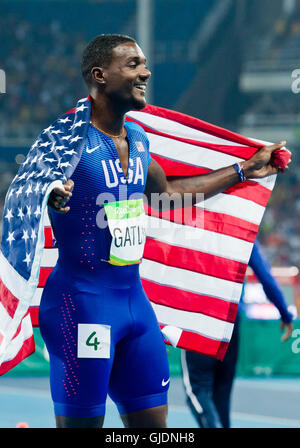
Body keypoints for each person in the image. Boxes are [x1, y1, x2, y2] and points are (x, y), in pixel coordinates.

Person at [40, 33, 287, 428]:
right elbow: (30, 187)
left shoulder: (138, 139)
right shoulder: (65, 138)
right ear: (100, 75)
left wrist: (244, 170)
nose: (146, 71)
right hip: (80, 306)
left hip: (135, 306)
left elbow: (170, 191)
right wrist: (50, 193)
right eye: (134, 64)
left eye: (144, 63)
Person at [181, 239, 294, 428]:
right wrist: (285, 313)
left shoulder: (195, 226)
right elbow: (265, 276)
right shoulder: (244, 225)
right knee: (222, 394)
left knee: (197, 389)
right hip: (230, 320)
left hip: (199, 317)